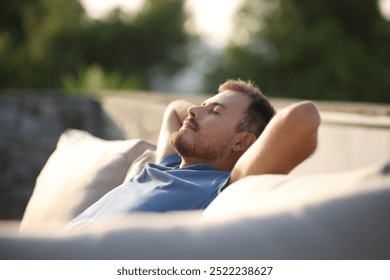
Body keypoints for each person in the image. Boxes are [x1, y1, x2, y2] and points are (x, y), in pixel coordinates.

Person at [67, 79, 320, 228]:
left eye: (215, 111)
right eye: (200, 106)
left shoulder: (224, 185)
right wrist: (206, 114)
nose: (193, 112)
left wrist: (209, 121)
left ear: (242, 142)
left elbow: (304, 116)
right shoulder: (168, 163)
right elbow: (175, 109)